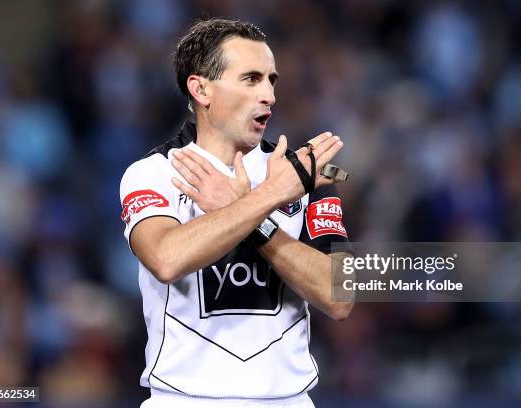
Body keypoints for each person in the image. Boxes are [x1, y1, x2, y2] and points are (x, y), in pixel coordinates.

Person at [120, 18, 353, 408]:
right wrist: (269, 197)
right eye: (251, 79)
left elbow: (341, 297)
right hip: (185, 400)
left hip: (289, 401)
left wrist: (253, 219)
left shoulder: (308, 176)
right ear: (201, 89)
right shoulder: (152, 173)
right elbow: (165, 258)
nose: (269, 96)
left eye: (271, 80)